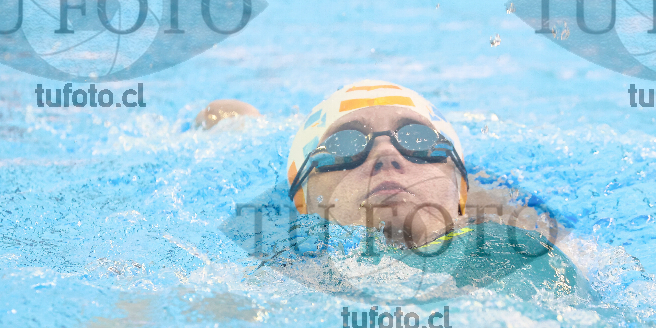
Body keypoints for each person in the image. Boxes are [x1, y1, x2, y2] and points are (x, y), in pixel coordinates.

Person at [202, 80, 595, 302]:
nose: (386, 154)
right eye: (345, 145)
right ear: (301, 200)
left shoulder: (531, 239)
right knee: (223, 113)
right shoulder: (250, 258)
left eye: (417, 139)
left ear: (461, 188)